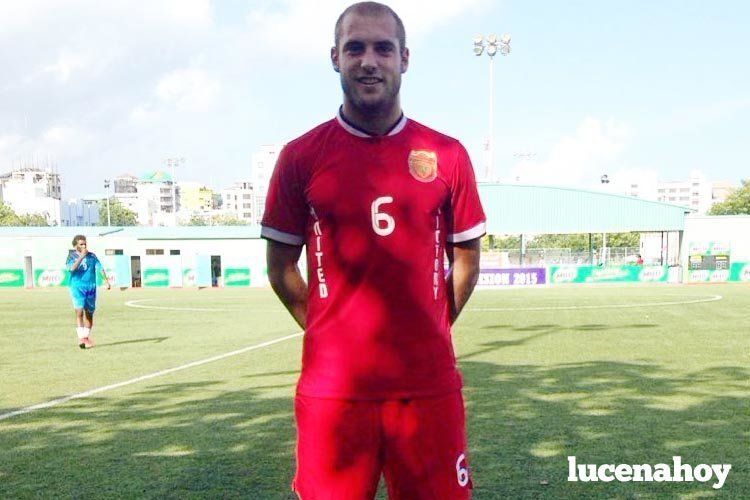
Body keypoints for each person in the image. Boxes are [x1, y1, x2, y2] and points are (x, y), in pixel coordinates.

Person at [261, 3, 485, 498]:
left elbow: (466, 260)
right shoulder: (300, 156)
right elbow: (280, 269)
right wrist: (327, 327)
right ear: (334, 58)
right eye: (355, 47)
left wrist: (430, 324)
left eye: (383, 48)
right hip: (334, 392)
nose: (369, 60)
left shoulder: (447, 155)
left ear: (404, 58)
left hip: (428, 388)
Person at [66, 235, 110, 349]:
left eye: (85, 244)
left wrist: (106, 281)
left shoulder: (92, 256)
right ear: (76, 245)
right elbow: (72, 269)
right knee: (79, 312)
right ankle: (82, 339)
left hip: (91, 288)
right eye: (81, 244)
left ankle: (85, 337)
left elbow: (100, 268)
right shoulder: (71, 257)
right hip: (77, 287)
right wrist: (81, 256)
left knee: (89, 314)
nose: (84, 246)